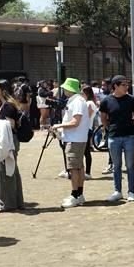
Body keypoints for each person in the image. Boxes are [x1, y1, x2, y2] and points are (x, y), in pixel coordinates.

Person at [100, 76, 134, 202]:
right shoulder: (106, 101)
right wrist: (109, 128)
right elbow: (103, 118)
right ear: (115, 86)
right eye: (123, 85)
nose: (126, 87)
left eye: (127, 84)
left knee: (130, 165)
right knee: (116, 165)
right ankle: (117, 191)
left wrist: (130, 125)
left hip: (129, 136)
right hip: (113, 137)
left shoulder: (131, 100)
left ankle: (131, 191)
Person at [51, 78, 90, 209]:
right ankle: (78, 194)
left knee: (74, 168)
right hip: (75, 138)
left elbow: (75, 122)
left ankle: (75, 194)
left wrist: (59, 125)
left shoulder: (77, 101)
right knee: (78, 167)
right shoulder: (76, 100)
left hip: (75, 139)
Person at [0, 80, 25, 212]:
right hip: (10, 140)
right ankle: (17, 201)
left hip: (8, 141)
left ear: (3, 90)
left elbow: (11, 125)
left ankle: (7, 203)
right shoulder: (7, 105)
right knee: (12, 170)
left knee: (6, 171)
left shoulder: (8, 106)